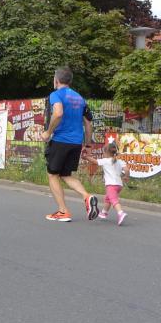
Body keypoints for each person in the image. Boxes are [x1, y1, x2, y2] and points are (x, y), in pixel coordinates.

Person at [41, 66, 98, 222]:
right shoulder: (80, 98)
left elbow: (58, 113)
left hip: (61, 141)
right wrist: (88, 146)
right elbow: (88, 123)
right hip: (76, 143)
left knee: (52, 174)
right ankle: (87, 196)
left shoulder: (56, 95)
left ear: (56, 80)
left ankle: (63, 211)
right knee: (65, 175)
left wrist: (48, 132)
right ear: (70, 81)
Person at [82, 141, 128, 225]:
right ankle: (104, 212)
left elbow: (95, 161)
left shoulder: (106, 161)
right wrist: (126, 177)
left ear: (106, 153)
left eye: (103, 152)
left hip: (111, 185)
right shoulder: (119, 161)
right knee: (108, 198)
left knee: (113, 200)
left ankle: (120, 213)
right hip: (119, 185)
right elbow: (126, 169)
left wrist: (86, 157)